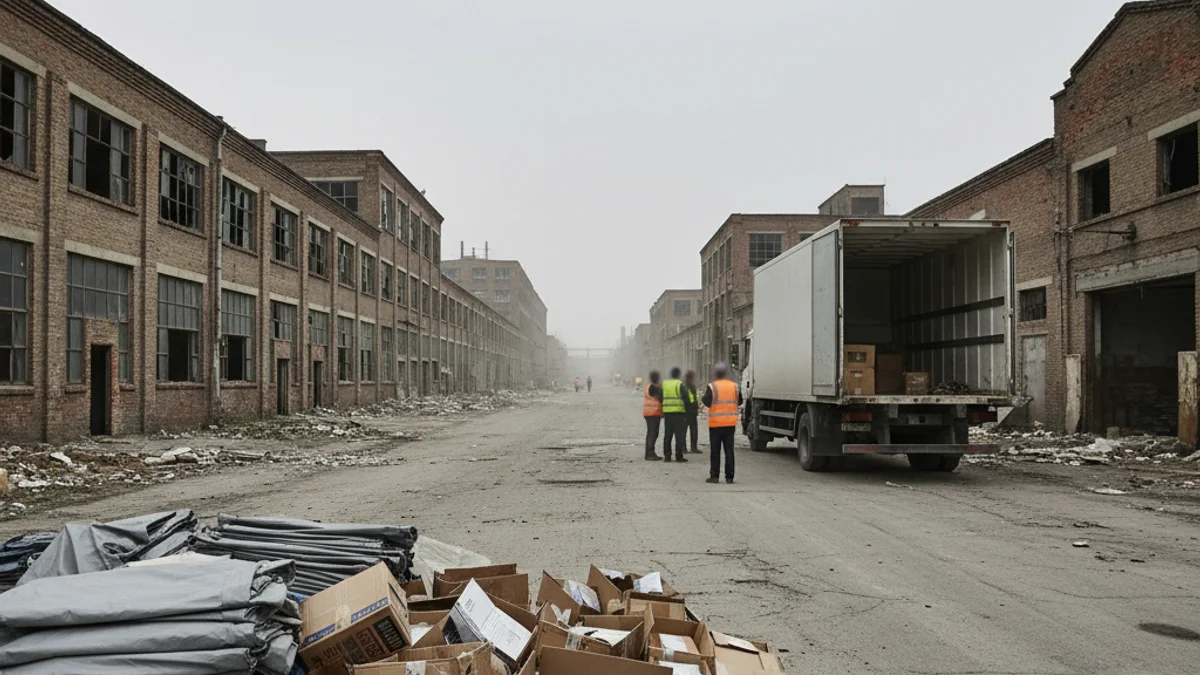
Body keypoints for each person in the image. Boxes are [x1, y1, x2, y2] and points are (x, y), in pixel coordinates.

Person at [703, 362, 742, 484]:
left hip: (715, 424)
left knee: (715, 451)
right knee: (729, 450)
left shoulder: (712, 386)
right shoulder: (734, 386)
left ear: (715, 373)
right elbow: (739, 401)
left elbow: (707, 402)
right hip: (730, 423)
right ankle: (729, 477)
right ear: (725, 373)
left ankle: (714, 476)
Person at [661, 367, 694, 463]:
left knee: (667, 435)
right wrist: (688, 410)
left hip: (667, 413)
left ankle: (667, 456)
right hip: (678, 413)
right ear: (679, 375)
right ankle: (679, 456)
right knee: (679, 436)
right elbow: (686, 398)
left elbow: (660, 397)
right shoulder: (679, 384)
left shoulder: (665, 384)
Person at [643, 370, 664, 461]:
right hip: (653, 413)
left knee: (650, 433)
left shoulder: (648, 386)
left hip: (648, 412)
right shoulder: (654, 387)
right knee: (653, 433)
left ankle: (649, 452)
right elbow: (661, 398)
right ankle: (650, 453)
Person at [683, 370, 701, 454]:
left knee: (689, 430)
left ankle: (686, 448)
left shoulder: (689, 385)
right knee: (691, 429)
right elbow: (690, 399)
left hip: (689, 411)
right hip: (688, 410)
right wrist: (695, 405)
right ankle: (692, 447)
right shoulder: (686, 386)